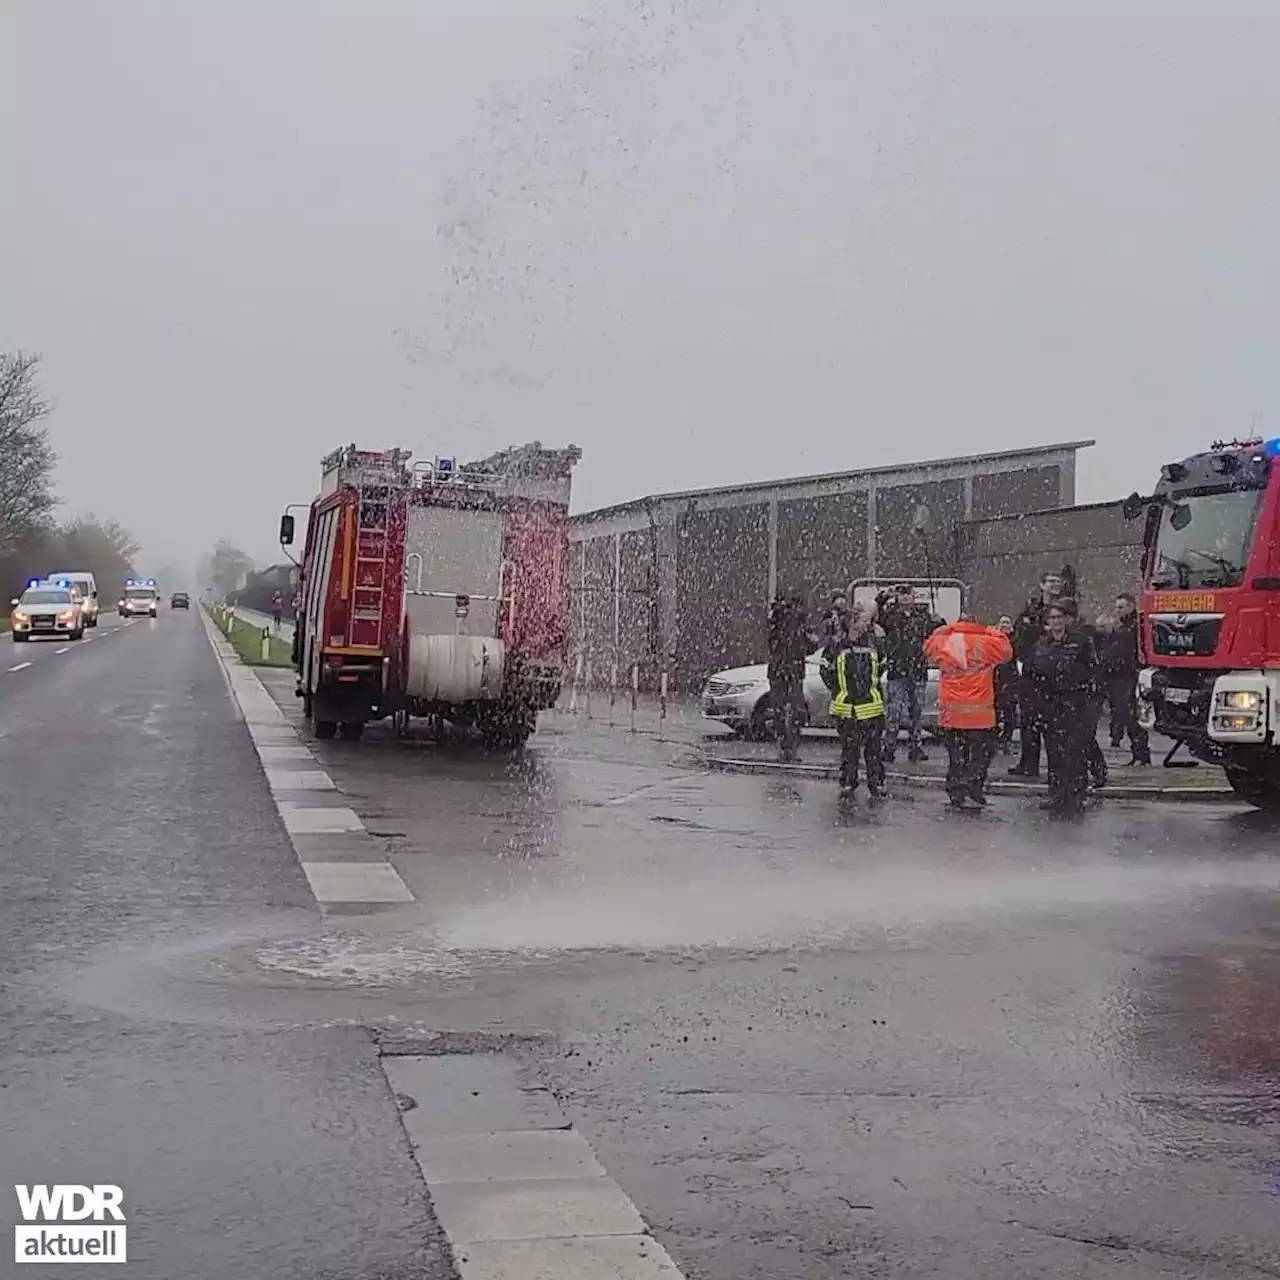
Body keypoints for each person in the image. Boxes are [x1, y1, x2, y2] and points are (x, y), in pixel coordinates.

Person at [924, 616, 1014, 808]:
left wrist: (944, 630)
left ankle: (956, 790)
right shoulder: (986, 641)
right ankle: (973, 788)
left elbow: (928, 646)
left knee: (956, 756)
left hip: (950, 713)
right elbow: (1007, 652)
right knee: (980, 755)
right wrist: (993, 631)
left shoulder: (944, 641)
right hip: (978, 713)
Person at [1025, 598, 1097, 816]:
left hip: (1075, 703)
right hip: (1049, 704)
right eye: (1052, 618)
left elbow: (1091, 670)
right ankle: (1057, 794)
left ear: (1066, 619)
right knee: (1054, 752)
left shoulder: (1081, 641)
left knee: (1075, 753)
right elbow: (1031, 673)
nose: (1056, 622)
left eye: (1059, 617)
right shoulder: (1041, 644)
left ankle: (1075, 795)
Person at [821, 602, 887, 799]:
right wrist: (840, 689)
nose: (866, 625)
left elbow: (883, 666)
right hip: (846, 708)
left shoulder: (875, 644)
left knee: (873, 750)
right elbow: (826, 671)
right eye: (862, 621)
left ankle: (876, 783)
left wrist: (865, 686)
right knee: (850, 750)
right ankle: (849, 782)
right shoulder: (836, 647)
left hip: (871, 707)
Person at [876, 583, 940, 764]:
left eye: (908, 594)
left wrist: (938, 622)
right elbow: (877, 616)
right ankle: (889, 748)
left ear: (913, 597)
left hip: (918, 671)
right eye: (902, 594)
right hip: (897, 671)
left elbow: (937, 631)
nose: (905, 597)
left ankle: (916, 747)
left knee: (917, 712)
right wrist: (883, 597)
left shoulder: (922, 617)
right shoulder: (890, 616)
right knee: (894, 712)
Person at [1008, 570, 1064, 777]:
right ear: (1042, 585)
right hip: (1031, 670)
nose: (1054, 585)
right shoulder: (1032, 608)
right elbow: (1021, 632)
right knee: (1028, 721)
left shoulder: (1064, 607)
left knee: (1052, 724)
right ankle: (1028, 763)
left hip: (1053, 673)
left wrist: (1035, 630)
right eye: (1051, 582)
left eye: (1058, 582)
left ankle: (1054, 769)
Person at [1097, 592, 1151, 765]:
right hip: (1117, 676)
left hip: (1128, 676)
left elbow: (1130, 652)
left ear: (1131, 607)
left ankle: (1141, 754)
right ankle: (1138, 754)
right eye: (1117, 607)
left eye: (1121, 607)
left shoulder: (1134, 627)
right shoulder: (1122, 627)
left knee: (1132, 716)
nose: (1117, 611)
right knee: (1125, 715)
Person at [767, 592, 812, 762]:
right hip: (787, 670)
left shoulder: (795, 626)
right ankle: (787, 745)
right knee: (788, 710)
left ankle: (787, 745)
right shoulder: (783, 624)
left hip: (788, 670)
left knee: (789, 710)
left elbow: (808, 646)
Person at [994, 615, 1019, 753]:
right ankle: (998, 740)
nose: (1005, 627)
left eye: (1007, 624)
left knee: (1010, 716)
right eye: (1002, 624)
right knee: (996, 715)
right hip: (997, 683)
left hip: (1009, 683)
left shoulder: (1013, 642)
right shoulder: (995, 641)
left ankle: (1005, 740)